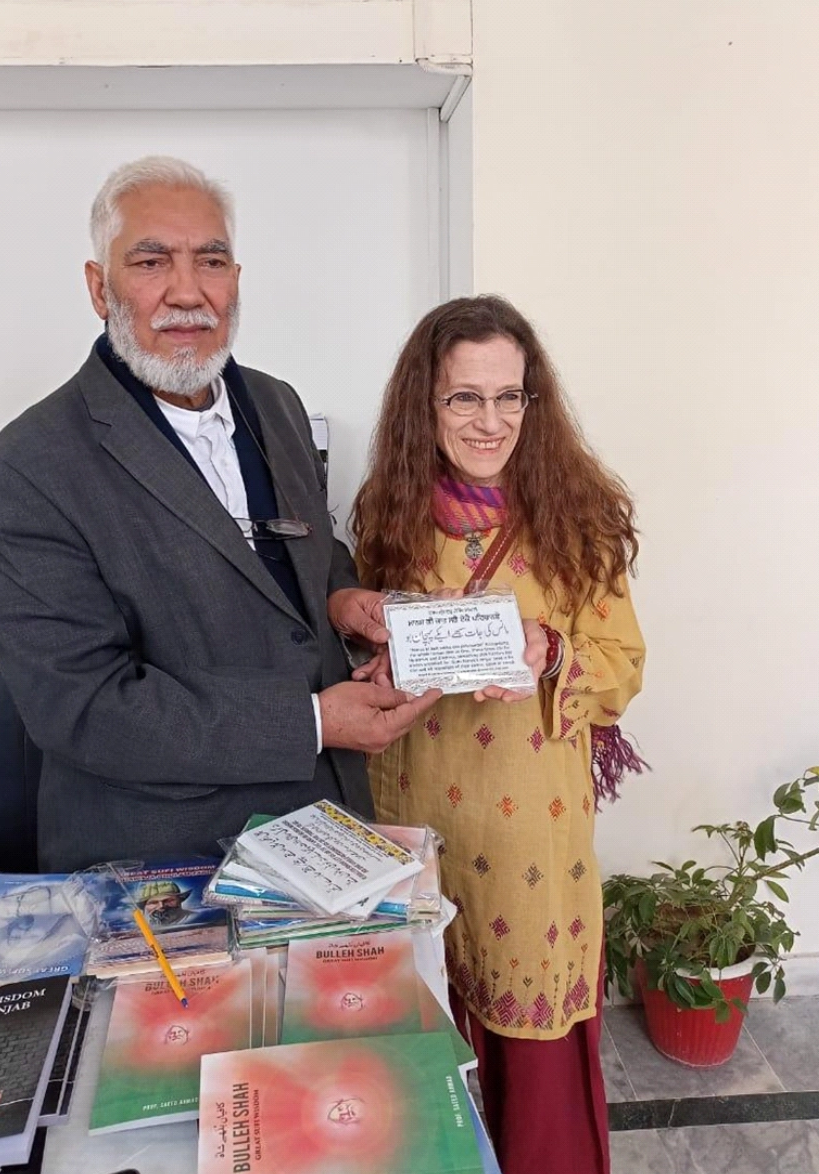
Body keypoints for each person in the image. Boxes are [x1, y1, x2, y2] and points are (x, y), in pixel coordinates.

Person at [0, 156, 438, 872]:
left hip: (327, 836)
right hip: (161, 870)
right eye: (151, 261)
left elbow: (299, 557)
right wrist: (313, 721)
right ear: (99, 288)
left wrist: (341, 600)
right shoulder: (24, 471)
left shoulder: (276, 404)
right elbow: (87, 709)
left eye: (210, 261)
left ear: (236, 282)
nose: (187, 292)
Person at [351, 295, 646, 1174]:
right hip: (414, 821)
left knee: (535, 1065)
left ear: (533, 403)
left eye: (509, 397)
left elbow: (624, 663)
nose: (490, 422)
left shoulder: (579, 517)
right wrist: (382, 646)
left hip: (530, 835)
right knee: (418, 1058)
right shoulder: (388, 510)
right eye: (463, 399)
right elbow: (369, 637)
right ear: (424, 405)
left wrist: (549, 648)